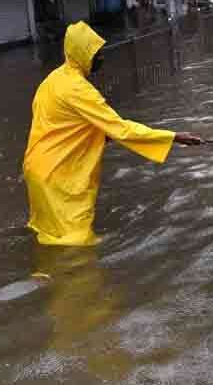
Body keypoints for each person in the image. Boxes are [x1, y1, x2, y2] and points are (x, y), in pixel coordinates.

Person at [23, 21, 203, 246]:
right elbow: (121, 129)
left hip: (37, 170)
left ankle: (46, 276)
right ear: (82, 53)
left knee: (48, 237)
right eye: (96, 53)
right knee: (75, 246)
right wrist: (173, 137)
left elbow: (60, 126)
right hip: (58, 176)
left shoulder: (52, 81)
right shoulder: (79, 90)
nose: (101, 59)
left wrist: (99, 136)